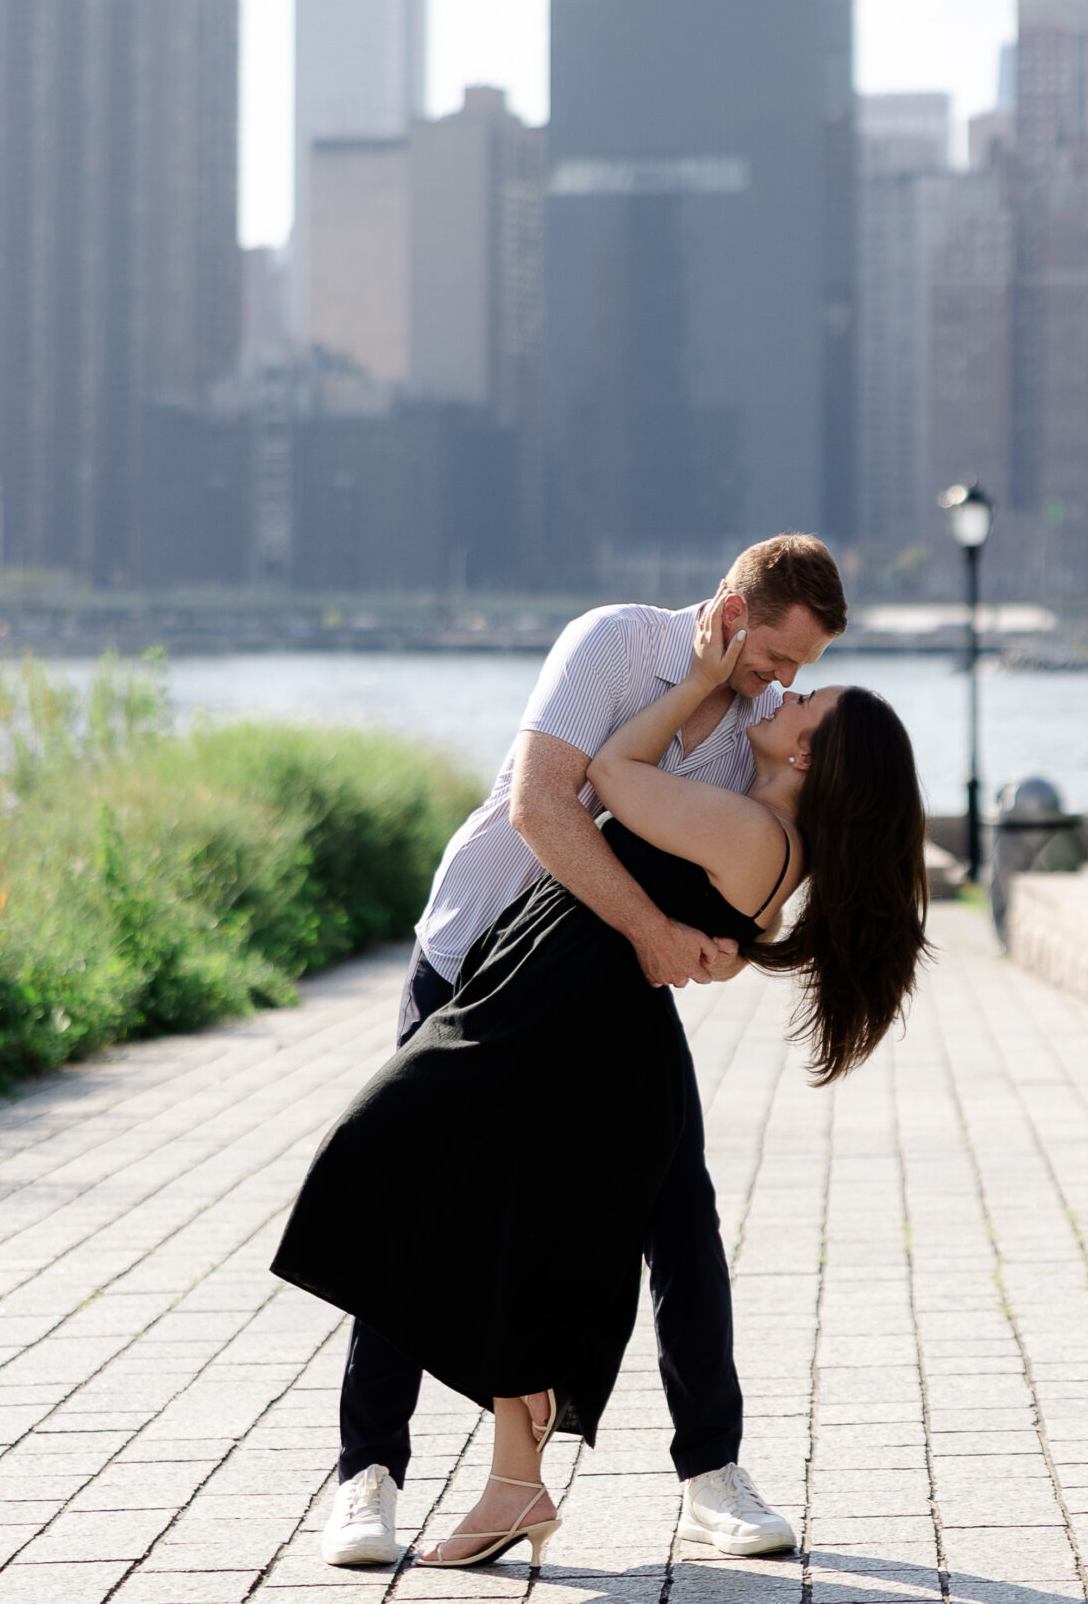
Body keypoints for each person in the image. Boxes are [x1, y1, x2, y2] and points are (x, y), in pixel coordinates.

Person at [274, 581, 930, 1569]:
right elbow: (548, 804)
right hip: (486, 963)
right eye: (784, 666)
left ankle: (665, 1470)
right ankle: (394, 1469)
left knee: (461, 1190)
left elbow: (623, 776)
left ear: (805, 751)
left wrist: (691, 927)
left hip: (570, 1007)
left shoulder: (751, 783)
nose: (784, 689)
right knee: (483, 1211)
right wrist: (696, 932)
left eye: (800, 690)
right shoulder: (623, 649)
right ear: (741, 607)